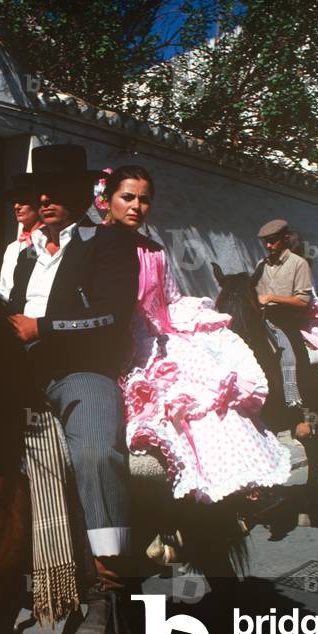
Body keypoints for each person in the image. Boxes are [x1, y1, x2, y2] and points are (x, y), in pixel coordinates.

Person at [2, 144, 140, 634]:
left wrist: (43, 326)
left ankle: (109, 586)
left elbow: (112, 314)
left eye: (58, 190)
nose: (46, 198)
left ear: (84, 194)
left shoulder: (110, 245)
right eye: (41, 191)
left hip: (82, 371)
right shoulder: (23, 255)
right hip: (21, 376)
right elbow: (6, 311)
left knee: (95, 453)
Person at [99, 165, 291, 504]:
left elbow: (169, 299)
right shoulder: (92, 244)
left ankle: (232, 477)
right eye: (127, 197)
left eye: (144, 200)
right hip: (112, 339)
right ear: (108, 199)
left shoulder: (154, 251)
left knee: (210, 384)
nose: (135, 207)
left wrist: (197, 322)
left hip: (154, 335)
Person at [252, 220, 318, 438]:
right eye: (266, 242)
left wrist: (271, 297)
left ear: (284, 239)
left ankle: (302, 414)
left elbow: (302, 301)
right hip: (262, 320)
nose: (269, 246)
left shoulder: (299, 264)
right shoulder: (261, 265)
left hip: (287, 322)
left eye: (272, 241)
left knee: (294, 358)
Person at [0, 174, 42, 302]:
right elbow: (3, 288)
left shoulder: (51, 243)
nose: (16, 206)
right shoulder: (12, 248)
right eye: (14, 202)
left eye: (23, 201)